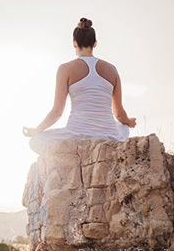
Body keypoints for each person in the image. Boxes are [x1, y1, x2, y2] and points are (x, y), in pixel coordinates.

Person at [23, 17, 137, 155]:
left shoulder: (65, 69)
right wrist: (129, 122)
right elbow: (119, 114)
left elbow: (57, 113)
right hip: (109, 136)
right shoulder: (112, 69)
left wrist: (36, 130)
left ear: (74, 43)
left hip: (76, 135)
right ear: (95, 44)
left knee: (36, 141)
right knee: (123, 127)